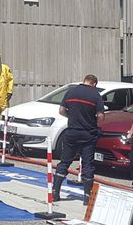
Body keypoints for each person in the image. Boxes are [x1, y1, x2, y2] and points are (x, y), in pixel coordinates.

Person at [52, 74, 104, 205]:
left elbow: (61, 110)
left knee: (64, 162)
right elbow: (101, 116)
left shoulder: (71, 91)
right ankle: (87, 197)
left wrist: (72, 116)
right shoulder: (95, 95)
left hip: (72, 132)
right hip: (88, 133)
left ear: (84, 81)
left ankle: (55, 192)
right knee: (87, 164)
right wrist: (95, 124)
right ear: (94, 83)